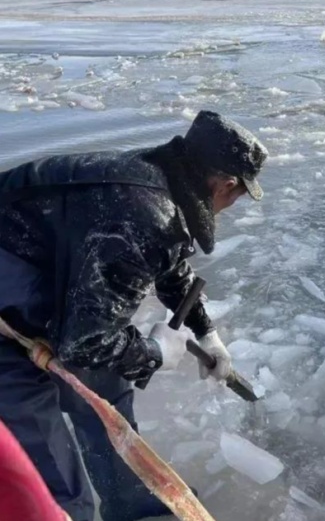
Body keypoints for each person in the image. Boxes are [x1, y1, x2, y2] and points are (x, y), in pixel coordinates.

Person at [0, 110, 268, 521]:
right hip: (8, 319)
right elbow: (86, 342)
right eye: (239, 195)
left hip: (39, 288)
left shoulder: (159, 178)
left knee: (107, 389)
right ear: (227, 185)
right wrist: (155, 352)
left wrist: (205, 331)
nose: (233, 204)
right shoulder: (142, 209)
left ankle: (133, 506)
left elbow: (171, 262)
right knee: (55, 480)